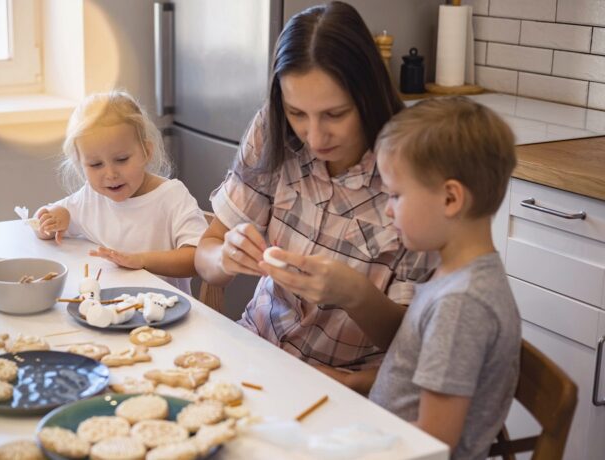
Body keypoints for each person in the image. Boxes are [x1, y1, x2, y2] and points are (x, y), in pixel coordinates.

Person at [195, 1, 437, 393]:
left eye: (335, 114)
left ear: (368, 95)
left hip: (347, 389)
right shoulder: (272, 130)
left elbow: (412, 347)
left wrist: (355, 295)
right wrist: (224, 257)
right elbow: (204, 255)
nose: (314, 136)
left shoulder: (413, 167)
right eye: (297, 113)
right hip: (253, 352)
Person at [268, 97, 521, 458]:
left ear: (451, 199)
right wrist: (354, 383)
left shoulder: (462, 305)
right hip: (383, 433)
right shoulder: (455, 275)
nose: (387, 208)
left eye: (396, 195)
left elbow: (435, 442)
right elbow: (417, 370)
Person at [36, 90, 208, 294]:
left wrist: (142, 260)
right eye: (95, 164)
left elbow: (197, 258)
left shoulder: (172, 197)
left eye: (122, 160)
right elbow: (43, 226)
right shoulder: (91, 197)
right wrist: (52, 219)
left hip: (164, 315)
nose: (110, 174)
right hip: (108, 309)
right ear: (80, 165)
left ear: (146, 152)